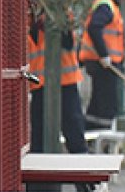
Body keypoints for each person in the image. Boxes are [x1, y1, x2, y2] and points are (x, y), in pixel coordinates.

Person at [27, 9, 88, 153]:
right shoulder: (27, 17)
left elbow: (67, 41)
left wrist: (51, 22)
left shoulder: (61, 12)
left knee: (73, 130)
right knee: (38, 135)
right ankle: (39, 169)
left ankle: (82, 166)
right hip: (39, 85)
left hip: (64, 82)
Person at [79, 0, 125, 130]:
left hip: (103, 63)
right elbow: (94, 27)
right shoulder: (106, 6)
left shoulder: (108, 5)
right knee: (107, 105)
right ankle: (102, 141)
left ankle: (92, 135)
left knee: (98, 103)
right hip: (103, 64)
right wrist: (104, 55)